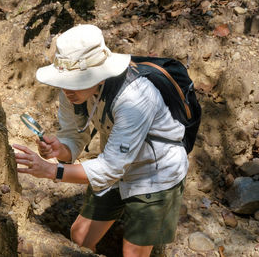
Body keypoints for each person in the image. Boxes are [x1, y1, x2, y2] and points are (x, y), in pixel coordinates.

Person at [12, 24, 188, 257]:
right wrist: (59, 150)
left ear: (98, 73)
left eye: (75, 82)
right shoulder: (71, 90)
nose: (66, 90)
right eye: (64, 82)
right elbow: (74, 135)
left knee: (133, 253)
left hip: (156, 173)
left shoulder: (135, 97)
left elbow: (110, 167)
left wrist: (50, 171)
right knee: (81, 236)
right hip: (117, 164)